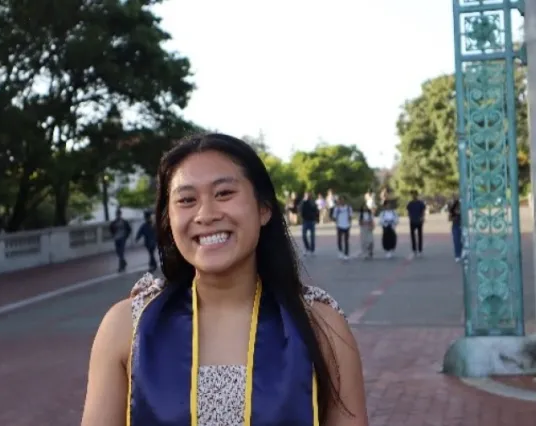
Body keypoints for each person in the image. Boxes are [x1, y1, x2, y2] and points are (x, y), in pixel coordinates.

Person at [80, 133, 368, 426]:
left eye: (224, 194)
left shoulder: (321, 325)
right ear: (168, 219)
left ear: (264, 208)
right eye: (187, 200)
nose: (206, 214)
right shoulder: (128, 327)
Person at [406, 190, 426, 258]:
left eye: (414, 194)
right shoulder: (410, 203)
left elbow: (423, 210)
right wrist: (409, 217)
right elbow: (408, 211)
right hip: (412, 221)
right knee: (412, 236)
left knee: (420, 235)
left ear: (417, 195)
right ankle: (414, 249)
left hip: (419, 220)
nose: (413, 196)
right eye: (412, 195)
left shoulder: (420, 203)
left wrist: (422, 217)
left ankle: (420, 250)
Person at [299, 191, 319, 256]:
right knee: (304, 235)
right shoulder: (302, 202)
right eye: (306, 195)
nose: (308, 196)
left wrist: (316, 218)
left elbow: (316, 211)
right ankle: (307, 248)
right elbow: (300, 210)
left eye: (309, 195)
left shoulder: (313, 202)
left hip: (312, 221)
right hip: (305, 221)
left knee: (312, 236)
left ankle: (312, 250)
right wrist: (301, 218)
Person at [448, 194, 462, 262]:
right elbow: (449, 219)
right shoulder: (452, 210)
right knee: (456, 241)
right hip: (455, 226)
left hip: (462, 226)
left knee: (462, 241)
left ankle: (462, 254)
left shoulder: (463, 209)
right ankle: (457, 255)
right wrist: (454, 217)